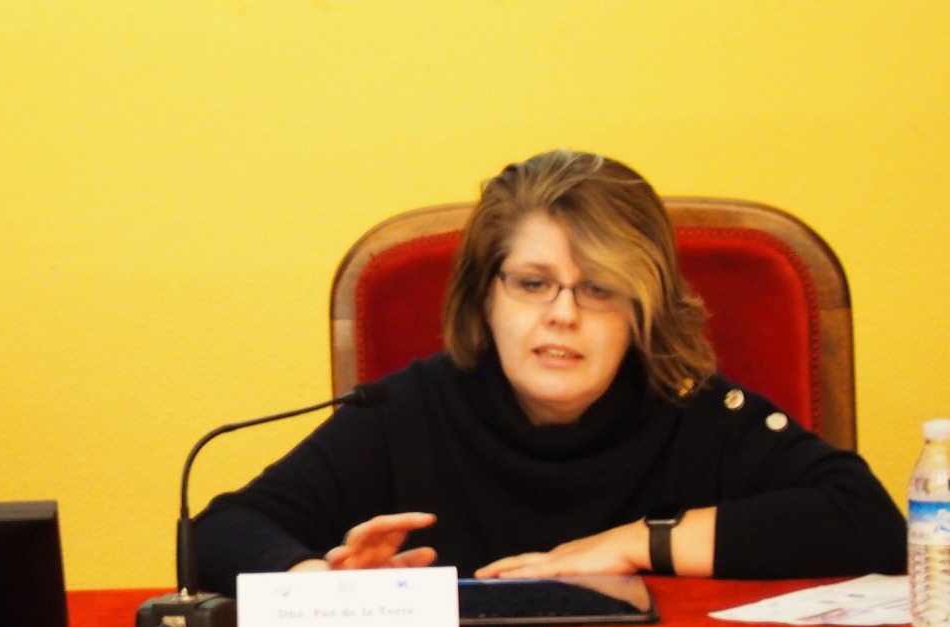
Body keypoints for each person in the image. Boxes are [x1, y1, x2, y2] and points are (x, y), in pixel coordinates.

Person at [194, 150, 906, 597]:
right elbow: (216, 534)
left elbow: (869, 522)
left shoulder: (690, 408)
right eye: (533, 284)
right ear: (485, 297)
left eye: (599, 289)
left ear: (644, 311)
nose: (563, 314)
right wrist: (321, 587)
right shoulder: (410, 409)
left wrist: (633, 542)